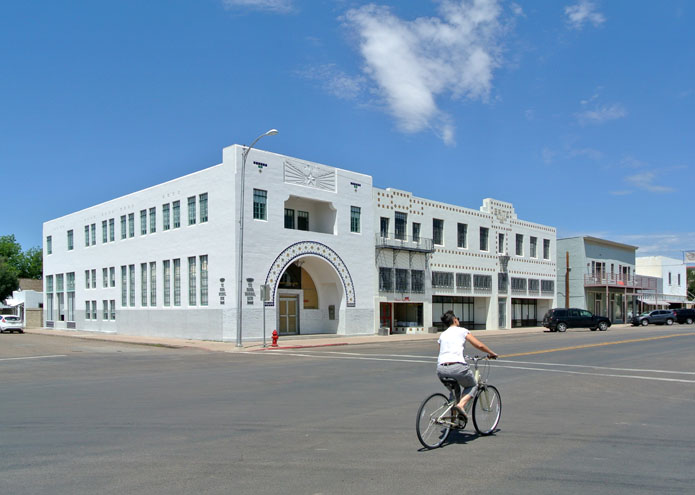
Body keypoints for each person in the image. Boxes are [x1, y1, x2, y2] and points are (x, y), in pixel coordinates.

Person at [436, 310, 498, 420]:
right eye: (457, 318)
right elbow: (478, 345)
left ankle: (453, 419)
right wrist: (491, 353)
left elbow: (442, 351)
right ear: (454, 320)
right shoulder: (462, 331)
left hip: (441, 369)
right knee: (472, 385)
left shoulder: (443, 334)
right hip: (457, 367)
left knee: (454, 392)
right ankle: (460, 406)